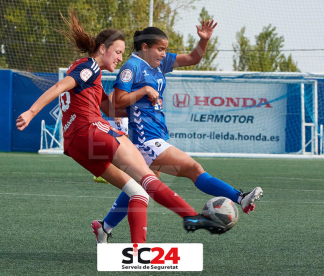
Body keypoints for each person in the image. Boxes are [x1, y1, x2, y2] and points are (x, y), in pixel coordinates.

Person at [16, 11, 226, 244]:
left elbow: (114, 109)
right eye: (117, 52)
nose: (119, 58)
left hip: (75, 145)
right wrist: (31, 112)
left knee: (137, 192)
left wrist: (144, 104)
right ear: (103, 48)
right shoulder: (90, 66)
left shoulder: (89, 79)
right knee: (147, 177)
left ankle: (137, 251)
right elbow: (61, 86)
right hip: (91, 131)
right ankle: (190, 217)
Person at [93, 20, 263, 243]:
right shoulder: (131, 67)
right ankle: (239, 197)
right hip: (146, 140)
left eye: (165, 49)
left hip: (155, 137)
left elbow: (193, 58)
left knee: (140, 187)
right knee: (193, 168)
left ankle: (104, 227)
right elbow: (117, 102)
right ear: (145, 47)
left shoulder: (157, 65)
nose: (164, 54)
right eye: (160, 49)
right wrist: (144, 90)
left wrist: (204, 39)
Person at [93, 91, 128, 184]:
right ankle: (105, 173)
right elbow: (111, 96)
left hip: (121, 119)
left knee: (121, 148)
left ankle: (109, 173)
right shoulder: (126, 85)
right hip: (120, 119)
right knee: (120, 147)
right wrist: (115, 113)